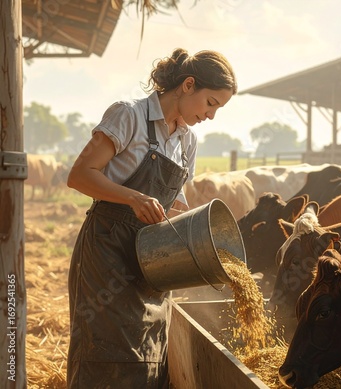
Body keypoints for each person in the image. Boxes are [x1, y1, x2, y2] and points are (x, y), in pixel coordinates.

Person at [66, 48, 237, 388]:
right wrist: (133, 197)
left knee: (150, 353)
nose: (212, 116)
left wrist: (196, 228)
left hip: (154, 260)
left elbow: (175, 201)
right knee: (109, 354)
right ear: (189, 85)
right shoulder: (128, 115)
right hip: (107, 252)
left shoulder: (187, 141)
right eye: (211, 103)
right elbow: (80, 175)